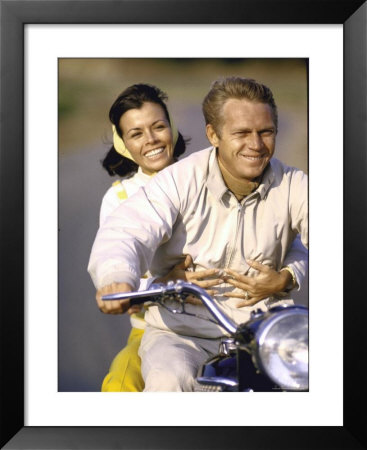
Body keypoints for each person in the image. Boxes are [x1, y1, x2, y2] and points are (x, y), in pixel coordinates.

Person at [89, 77, 308, 392]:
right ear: (213, 135)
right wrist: (117, 276)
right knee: (164, 383)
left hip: (264, 330)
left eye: (266, 132)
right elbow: (124, 232)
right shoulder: (175, 181)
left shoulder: (293, 184)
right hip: (179, 331)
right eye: (242, 133)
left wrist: (288, 276)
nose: (257, 145)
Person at [99, 83, 224, 392]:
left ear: (173, 128)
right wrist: (166, 284)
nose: (151, 140)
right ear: (122, 143)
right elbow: (119, 274)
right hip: (157, 329)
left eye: (158, 127)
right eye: (136, 133)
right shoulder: (120, 199)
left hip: (228, 322)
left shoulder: (209, 176)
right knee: (119, 385)